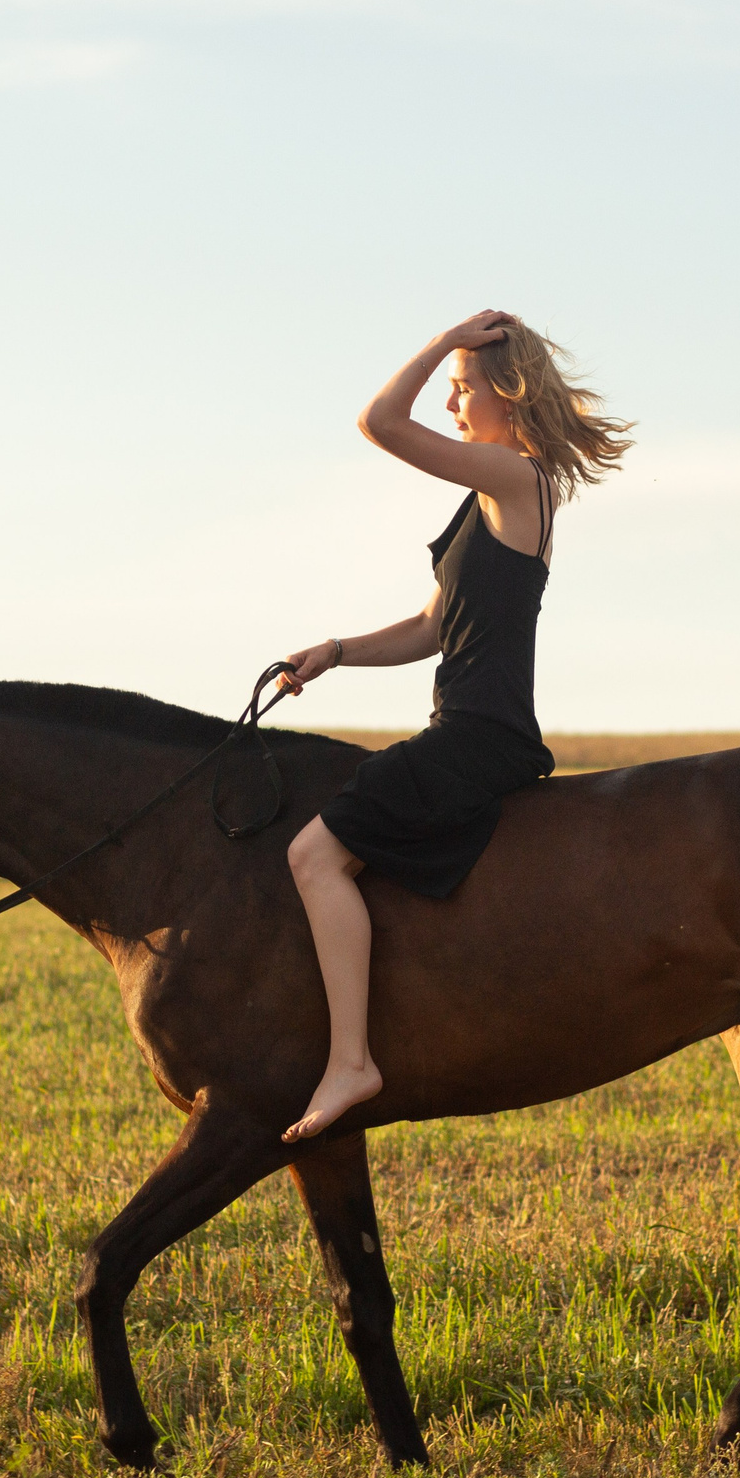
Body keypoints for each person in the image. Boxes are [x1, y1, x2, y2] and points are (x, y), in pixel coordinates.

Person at [276, 310, 634, 1142]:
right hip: (472, 727)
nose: (451, 404)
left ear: (508, 394)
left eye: (463, 389)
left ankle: (352, 1063)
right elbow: (434, 627)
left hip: (480, 736)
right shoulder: (490, 498)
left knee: (313, 853)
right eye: (450, 386)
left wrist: (442, 338)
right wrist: (334, 651)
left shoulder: (520, 480)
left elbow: (378, 424)